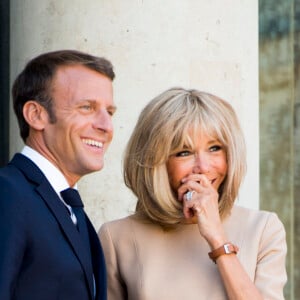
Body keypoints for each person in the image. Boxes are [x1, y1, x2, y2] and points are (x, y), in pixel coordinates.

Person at [99, 87, 287, 300]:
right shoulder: (116, 237)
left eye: (215, 148)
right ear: (157, 164)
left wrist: (217, 238)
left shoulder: (263, 229)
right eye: (184, 152)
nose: (203, 167)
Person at [0, 50, 117, 300]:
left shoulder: (72, 210)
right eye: (87, 107)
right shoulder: (6, 193)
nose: (106, 126)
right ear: (36, 115)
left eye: (110, 112)